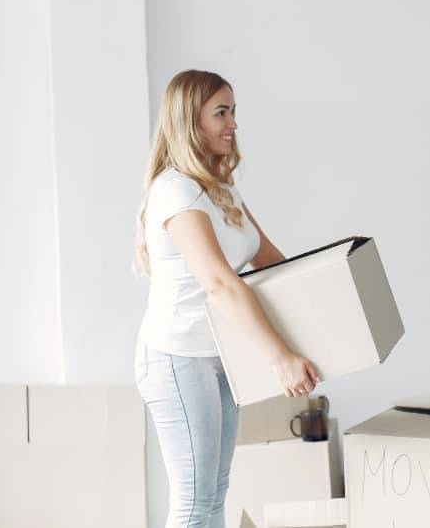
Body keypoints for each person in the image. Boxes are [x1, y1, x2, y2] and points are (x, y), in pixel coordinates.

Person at [134, 70, 319, 528]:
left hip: (219, 356)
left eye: (233, 111)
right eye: (220, 112)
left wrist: (326, 311)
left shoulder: (218, 185)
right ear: (188, 120)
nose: (232, 123)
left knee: (214, 495)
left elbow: (268, 259)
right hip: (179, 359)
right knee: (195, 504)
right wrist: (279, 357)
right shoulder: (177, 190)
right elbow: (219, 282)